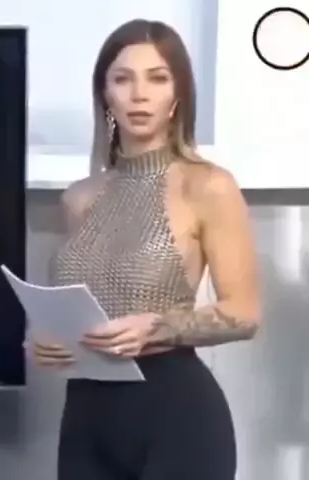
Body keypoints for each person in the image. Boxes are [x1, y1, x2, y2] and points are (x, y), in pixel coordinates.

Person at [29, 18, 262, 480]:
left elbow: (245, 313)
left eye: (157, 78)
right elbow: (81, 305)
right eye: (123, 79)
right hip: (85, 415)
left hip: (175, 415)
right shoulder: (78, 198)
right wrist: (44, 341)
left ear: (178, 95)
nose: (139, 94)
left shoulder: (207, 185)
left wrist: (156, 327)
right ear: (105, 94)